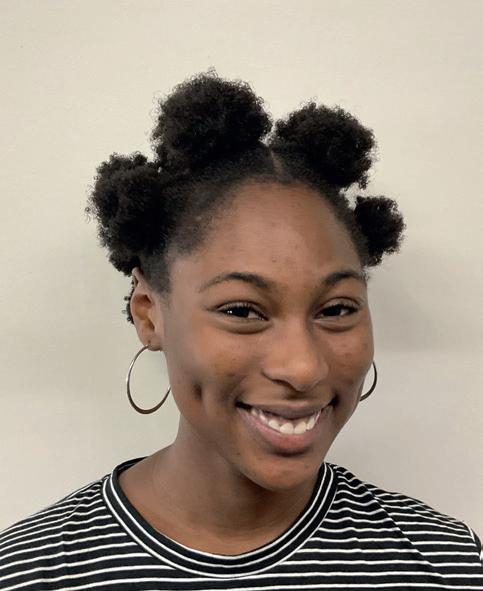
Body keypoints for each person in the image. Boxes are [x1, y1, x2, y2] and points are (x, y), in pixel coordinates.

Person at [1, 71, 481, 590]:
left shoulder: (447, 564)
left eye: (337, 309)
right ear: (148, 313)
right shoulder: (29, 573)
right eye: (242, 311)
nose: (303, 367)